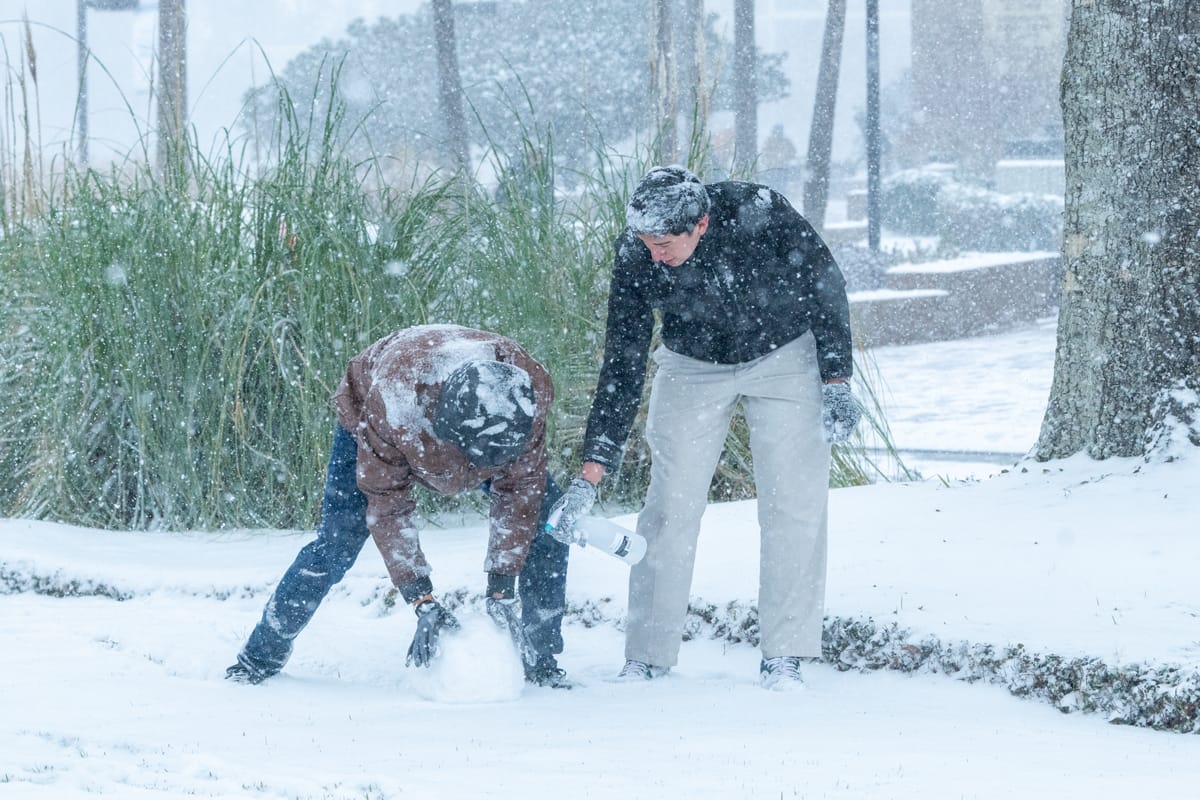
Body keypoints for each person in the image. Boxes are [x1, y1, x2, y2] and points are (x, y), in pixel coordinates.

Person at [545, 165, 860, 690]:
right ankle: (647, 654)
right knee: (670, 506)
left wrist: (836, 379)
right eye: (645, 242)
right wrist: (589, 478)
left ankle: (785, 654)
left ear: (701, 225)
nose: (654, 255)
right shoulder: (637, 256)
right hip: (691, 364)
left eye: (664, 244)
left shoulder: (759, 212)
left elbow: (825, 285)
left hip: (784, 353)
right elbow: (621, 365)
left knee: (794, 503)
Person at [226, 324, 572, 689]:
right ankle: (258, 657)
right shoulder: (398, 401)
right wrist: (420, 598)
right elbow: (388, 504)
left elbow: (521, 493)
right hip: (374, 419)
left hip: (476, 427)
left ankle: (540, 659)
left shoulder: (527, 396)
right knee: (336, 544)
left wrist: (502, 588)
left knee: (547, 526)